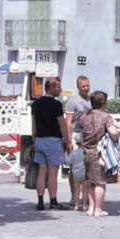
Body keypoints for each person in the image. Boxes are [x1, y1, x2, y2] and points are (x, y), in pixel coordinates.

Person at [31, 77, 71, 211]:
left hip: (40, 140)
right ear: (51, 88)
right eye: (58, 87)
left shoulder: (36, 103)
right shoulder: (56, 105)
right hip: (53, 140)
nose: (60, 90)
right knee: (53, 173)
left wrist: (34, 139)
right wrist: (68, 141)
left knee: (42, 171)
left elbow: (34, 124)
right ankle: (53, 201)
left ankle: (40, 201)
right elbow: (62, 125)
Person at [77, 91, 120, 216]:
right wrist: (118, 135)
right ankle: (98, 209)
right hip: (100, 153)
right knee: (100, 182)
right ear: (103, 103)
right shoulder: (106, 117)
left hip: (87, 152)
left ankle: (91, 208)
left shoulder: (84, 117)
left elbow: (81, 136)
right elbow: (113, 132)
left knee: (91, 181)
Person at [64, 76, 91, 209]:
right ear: (78, 87)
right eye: (83, 86)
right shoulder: (73, 101)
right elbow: (68, 122)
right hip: (75, 135)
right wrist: (69, 140)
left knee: (88, 169)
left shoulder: (92, 101)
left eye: (87, 85)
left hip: (88, 137)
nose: (86, 88)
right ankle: (73, 197)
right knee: (74, 170)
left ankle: (87, 199)